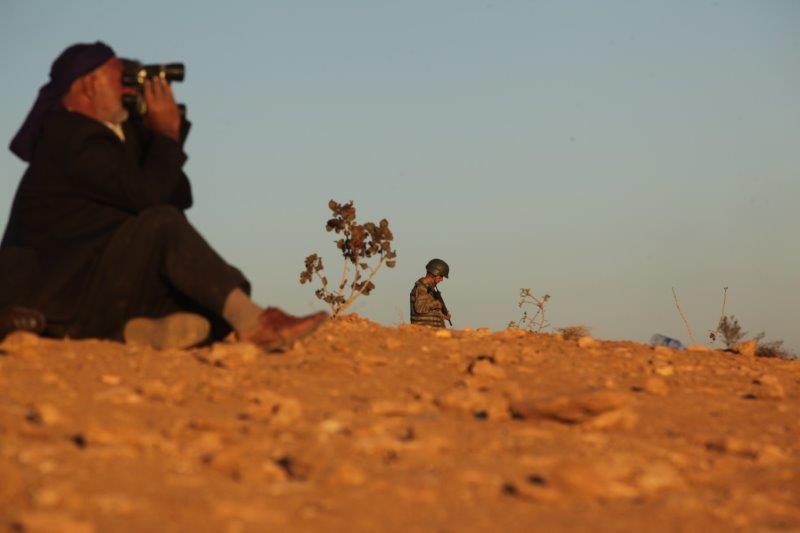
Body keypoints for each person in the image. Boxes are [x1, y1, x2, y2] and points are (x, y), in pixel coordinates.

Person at [0, 41, 326, 350]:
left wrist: (154, 137)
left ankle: (132, 332)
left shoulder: (108, 140)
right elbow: (154, 205)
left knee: (202, 299)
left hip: (89, 286)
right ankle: (258, 324)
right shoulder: (67, 136)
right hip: (53, 297)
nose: (128, 89)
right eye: (121, 79)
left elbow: (178, 196)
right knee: (161, 224)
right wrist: (165, 136)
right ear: (89, 85)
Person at [409, 258, 451, 328]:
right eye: (441, 276)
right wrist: (436, 304)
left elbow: (428, 311)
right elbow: (420, 308)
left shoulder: (429, 289)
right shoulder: (421, 288)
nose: (442, 280)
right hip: (424, 330)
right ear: (434, 273)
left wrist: (442, 315)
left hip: (432, 330)